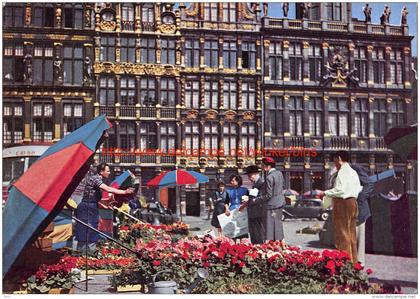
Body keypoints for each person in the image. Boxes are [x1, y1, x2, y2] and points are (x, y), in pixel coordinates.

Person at [75, 163, 134, 252]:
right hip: (87, 206)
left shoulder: (99, 179)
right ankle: (82, 252)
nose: (109, 173)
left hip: (92, 205)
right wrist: (124, 192)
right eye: (108, 171)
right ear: (101, 172)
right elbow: (108, 189)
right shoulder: (95, 178)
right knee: (86, 229)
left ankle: (89, 252)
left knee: (93, 229)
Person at [319, 151, 362, 263]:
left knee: (342, 233)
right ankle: (353, 262)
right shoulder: (353, 172)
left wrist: (325, 193)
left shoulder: (342, 172)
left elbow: (340, 190)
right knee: (351, 234)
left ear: (339, 158)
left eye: (334, 160)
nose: (334, 163)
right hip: (353, 202)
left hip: (342, 203)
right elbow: (358, 188)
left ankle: (345, 263)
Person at [350, 163, 375, 265]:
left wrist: (358, 200)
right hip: (347, 210)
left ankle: (359, 265)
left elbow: (369, 184)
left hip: (359, 211)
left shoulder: (355, 168)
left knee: (358, 240)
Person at [261, 157, 286, 242]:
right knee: (278, 225)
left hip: (272, 205)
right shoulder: (280, 173)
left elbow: (268, 195)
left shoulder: (269, 177)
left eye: (263, 165)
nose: (262, 167)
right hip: (280, 202)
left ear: (267, 166)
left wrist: (257, 200)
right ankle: (282, 244)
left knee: (270, 228)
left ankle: (271, 247)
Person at [240, 165, 265, 244]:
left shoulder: (261, 183)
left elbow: (261, 197)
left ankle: (259, 248)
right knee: (253, 233)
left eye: (250, 176)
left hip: (258, 212)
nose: (249, 178)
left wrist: (249, 200)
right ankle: (255, 247)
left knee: (258, 233)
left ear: (255, 174)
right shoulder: (255, 183)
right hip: (253, 212)